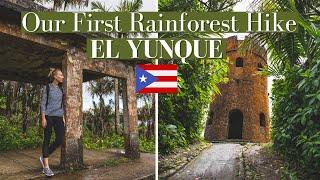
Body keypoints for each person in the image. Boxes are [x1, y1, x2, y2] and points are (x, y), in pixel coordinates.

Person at [39, 69, 65, 177]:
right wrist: (43, 118)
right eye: (61, 75)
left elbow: (61, 104)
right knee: (47, 139)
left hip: (59, 116)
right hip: (49, 116)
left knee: (60, 139)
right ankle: (46, 167)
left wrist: (63, 116)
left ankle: (44, 155)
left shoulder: (61, 89)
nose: (62, 76)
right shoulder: (48, 88)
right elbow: (43, 103)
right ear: (55, 76)